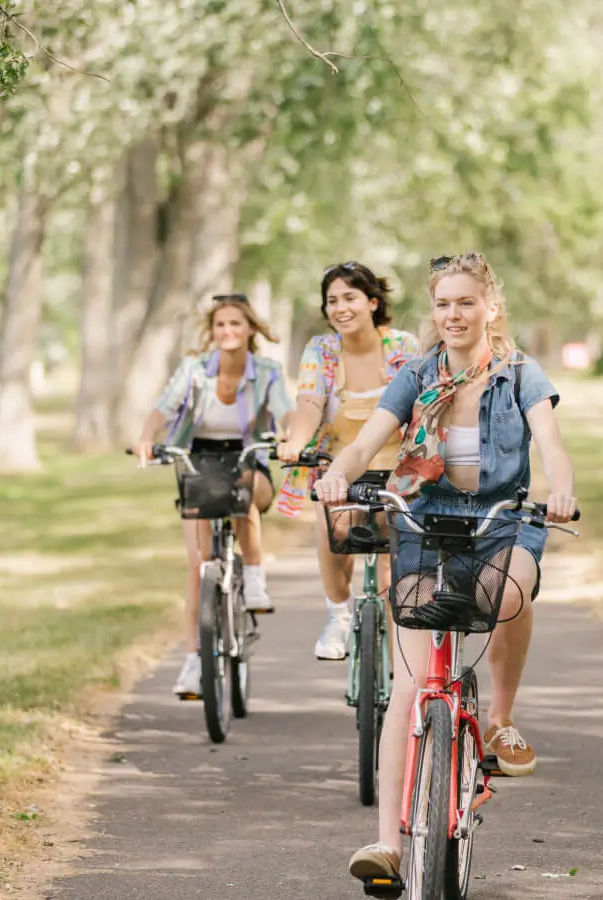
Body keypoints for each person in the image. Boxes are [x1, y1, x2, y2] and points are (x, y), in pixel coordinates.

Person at [313, 253, 577, 882]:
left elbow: (553, 445)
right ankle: (387, 846)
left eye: (466, 303)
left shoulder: (520, 375)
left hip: (498, 521)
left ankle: (500, 720)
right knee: (406, 690)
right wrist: (338, 474)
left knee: (508, 592)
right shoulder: (418, 373)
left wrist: (561, 489)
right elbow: (366, 438)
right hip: (425, 522)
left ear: (490, 306)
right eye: (443, 304)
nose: (453, 315)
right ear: (432, 312)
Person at [134, 293, 293, 699]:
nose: (227, 331)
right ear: (213, 331)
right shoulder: (193, 370)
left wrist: (291, 436)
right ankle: (194, 662)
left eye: (235, 324)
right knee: (198, 565)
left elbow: (286, 413)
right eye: (220, 325)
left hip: (246, 459)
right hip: (199, 461)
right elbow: (162, 409)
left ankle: (254, 578)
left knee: (242, 493)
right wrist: (146, 439)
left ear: (250, 329)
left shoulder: (269, 372)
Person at [276, 262, 420, 661]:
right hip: (339, 465)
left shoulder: (404, 347)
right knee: (333, 530)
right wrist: (295, 442)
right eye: (332, 301)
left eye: (350, 298)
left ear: (373, 302)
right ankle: (338, 612)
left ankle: (399, 668)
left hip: (398, 467)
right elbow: (309, 404)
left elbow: (421, 405)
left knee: (395, 572)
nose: (340, 308)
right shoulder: (320, 351)